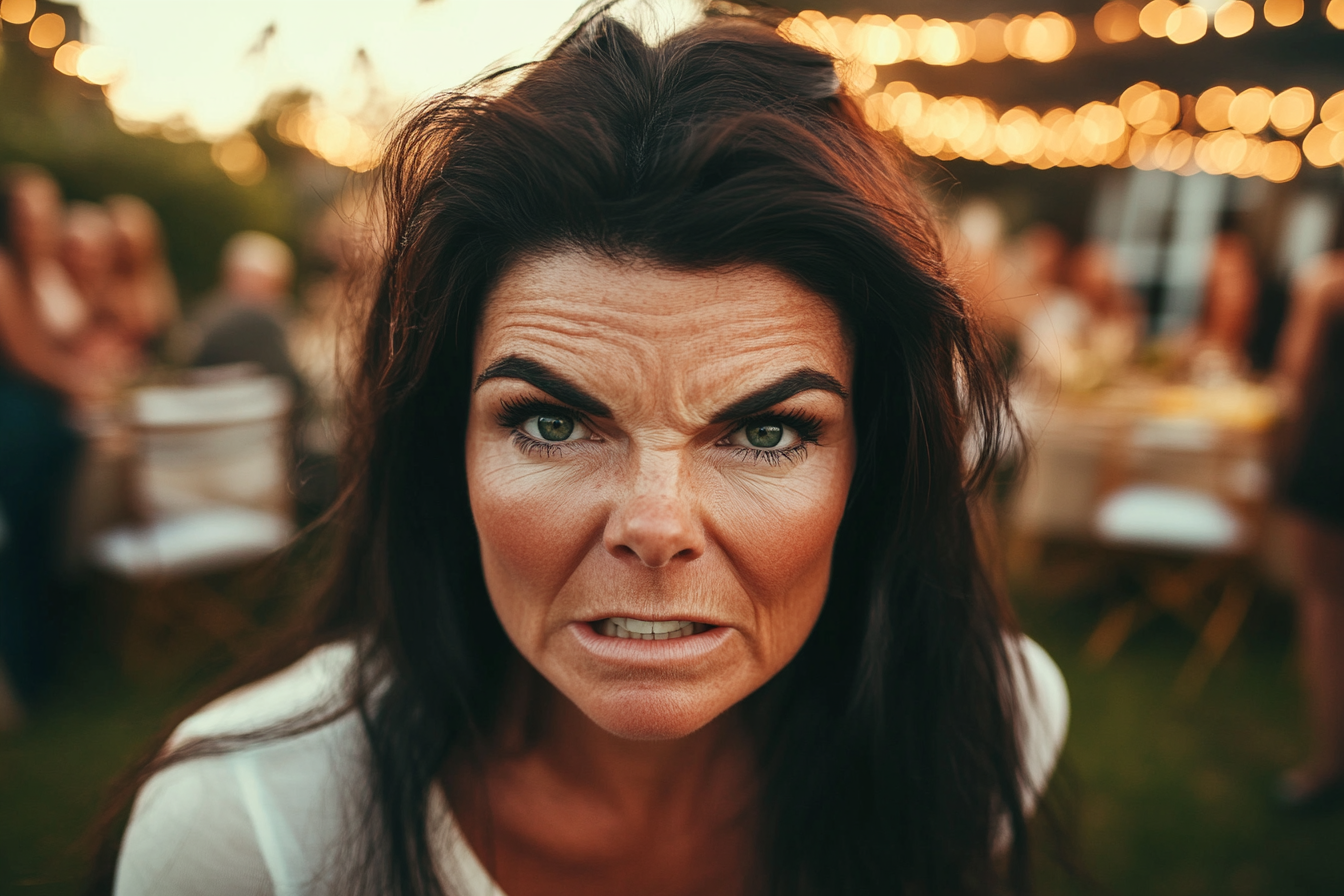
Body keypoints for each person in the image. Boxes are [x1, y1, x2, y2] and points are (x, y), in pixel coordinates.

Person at [99, 6, 1068, 895]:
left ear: (874, 467)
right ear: (450, 449)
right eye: (552, 423)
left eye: (767, 430)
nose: (654, 526)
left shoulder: (983, 722)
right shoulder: (247, 827)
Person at [1274, 224, 1344, 813]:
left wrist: (1281, 460)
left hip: (1330, 457)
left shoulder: (1326, 280)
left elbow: (1296, 375)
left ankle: (1328, 762)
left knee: (1325, 609)